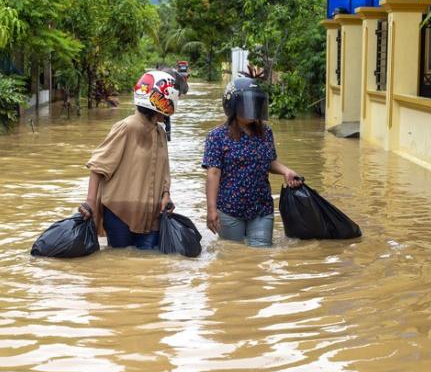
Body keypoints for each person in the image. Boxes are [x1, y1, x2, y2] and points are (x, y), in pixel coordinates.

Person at [78, 71, 179, 250]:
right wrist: (90, 203)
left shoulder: (160, 132)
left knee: (146, 268)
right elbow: (98, 166)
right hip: (120, 215)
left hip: (152, 214)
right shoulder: (126, 127)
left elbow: (164, 170)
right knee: (121, 268)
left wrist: (166, 195)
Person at [202, 77, 302, 247]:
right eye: (246, 103)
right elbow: (213, 173)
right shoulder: (217, 136)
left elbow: (269, 162)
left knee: (261, 256)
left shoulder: (266, 132)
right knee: (233, 256)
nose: (252, 108)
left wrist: (286, 171)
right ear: (232, 105)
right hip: (229, 209)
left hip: (261, 207)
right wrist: (211, 209)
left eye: (255, 102)